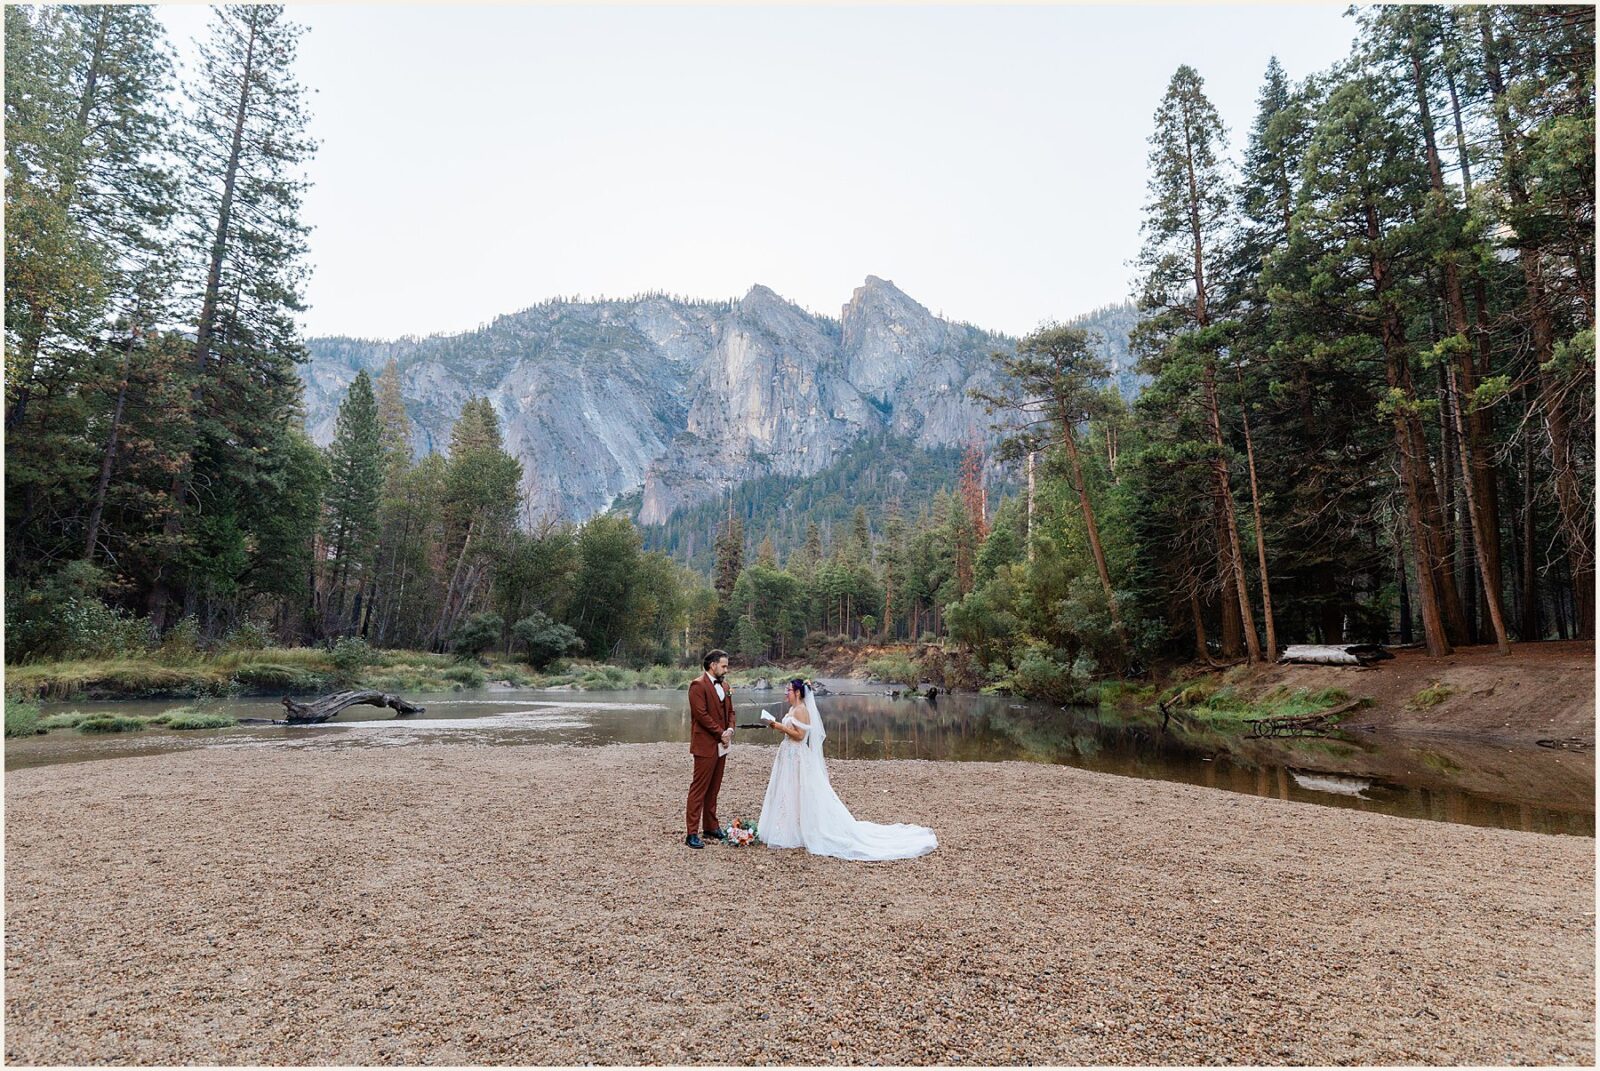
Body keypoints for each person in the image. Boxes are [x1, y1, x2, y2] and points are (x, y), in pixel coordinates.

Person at [759, 678, 936, 860]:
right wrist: (777, 726)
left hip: (797, 756)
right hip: (788, 755)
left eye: (788, 690)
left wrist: (779, 726)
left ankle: (802, 827)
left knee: (801, 789)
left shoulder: (802, 710)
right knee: (789, 790)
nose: (785, 693)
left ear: (797, 692)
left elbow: (801, 735)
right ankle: (789, 826)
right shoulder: (791, 709)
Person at [684, 649, 734, 849]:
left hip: (722, 744)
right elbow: (701, 715)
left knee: (714, 788)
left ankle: (711, 826)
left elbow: (731, 711)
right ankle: (691, 833)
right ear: (712, 665)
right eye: (724, 665)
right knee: (699, 788)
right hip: (705, 744)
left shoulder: (726, 685)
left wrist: (729, 729)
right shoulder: (698, 685)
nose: (726, 669)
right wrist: (720, 733)